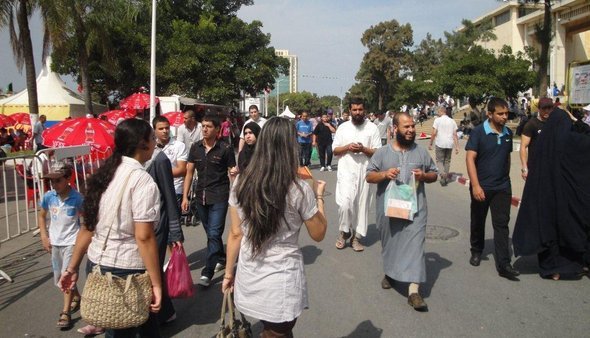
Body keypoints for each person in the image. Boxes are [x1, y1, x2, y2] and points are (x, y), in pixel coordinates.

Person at [222, 117, 327, 338]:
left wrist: (228, 273)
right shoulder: (299, 189)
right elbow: (319, 233)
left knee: (273, 330)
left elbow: (235, 234)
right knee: (277, 332)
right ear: (290, 146)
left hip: (250, 275)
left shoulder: (241, 183)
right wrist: (319, 196)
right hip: (281, 282)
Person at [58, 119, 163, 337]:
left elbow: (88, 227)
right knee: (125, 329)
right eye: (153, 138)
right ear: (142, 144)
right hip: (127, 269)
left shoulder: (106, 173)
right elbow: (143, 237)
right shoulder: (142, 181)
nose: (156, 143)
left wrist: (72, 267)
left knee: (125, 327)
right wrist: (157, 284)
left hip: (98, 261)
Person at [366, 112, 437, 311]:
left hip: (416, 210)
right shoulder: (382, 153)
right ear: (395, 129)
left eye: (412, 126)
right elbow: (369, 176)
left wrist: (424, 176)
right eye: (406, 127)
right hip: (389, 209)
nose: (411, 130)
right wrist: (384, 174)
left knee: (415, 245)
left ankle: (413, 292)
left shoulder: (421, 152)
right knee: (391, 245)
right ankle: (391, 273)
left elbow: (435, 174)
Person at [513, 108, 590, 280]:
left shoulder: (542, 145)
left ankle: (551, 270)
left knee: (548, 231)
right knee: (567, 229)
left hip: (546, 198)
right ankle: (573, 264)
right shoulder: (572, 143)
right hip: (567, 200)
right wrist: (576, 122)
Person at [465, 97, 520, 280]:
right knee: (478, 220)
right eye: (500, 114)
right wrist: (475, 185)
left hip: (502, 187)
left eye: (506, 113)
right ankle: (477, 249)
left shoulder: (508, 134)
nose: (505, 117)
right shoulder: (479, 133)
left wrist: (506, 179)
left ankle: (504, 264)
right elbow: (470, 159)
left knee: (502, 224)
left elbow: (507, 158)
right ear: (490, 114)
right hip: (482, 186)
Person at [181, 114, 236, 287]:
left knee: (213, 233)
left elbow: (231, 172)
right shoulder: (195, 148)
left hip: (219, 195)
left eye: (208, 126)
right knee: (211, 233)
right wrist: (185, 197)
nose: (204, 129)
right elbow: (189, 173)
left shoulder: (225, 148)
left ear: (217, 130)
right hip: (200, 197)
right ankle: (220, 256)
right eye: (203, 126)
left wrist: (237, 194)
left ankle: (208, 271)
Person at [145, 119, 185, 324]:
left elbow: (169, 196)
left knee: (153, 267)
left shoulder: (159, 160)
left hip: (157, 226)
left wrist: (175, 231)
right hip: (138, 227)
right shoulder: (125, 164)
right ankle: (162, 310)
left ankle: (160, 311)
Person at [38, 162, 83, 329]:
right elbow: (42, 215)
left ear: (68, 179)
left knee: (67, 275)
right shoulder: (49, 197)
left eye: (58, 180)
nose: (54, 184)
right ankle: (77, 297)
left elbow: (87, 219)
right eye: (52, 181)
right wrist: (44, 235)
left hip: (71, 243)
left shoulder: (77, 198)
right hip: (55, 243)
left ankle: (65, 312)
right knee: (60, 278)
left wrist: (84, 242)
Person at [332, 98, 381, 252]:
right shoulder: (343, 128)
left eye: (360, 109)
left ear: (364, 110)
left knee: (362, 204)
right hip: (346, 170)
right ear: (350, 110)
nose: (358, 112)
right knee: (345, 203)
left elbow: (378, 152)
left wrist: (363, 149)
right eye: (355, 110)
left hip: (366, 171)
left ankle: (356, 237)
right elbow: (335, 150)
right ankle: (344, 231)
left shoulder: (372, 128)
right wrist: (348, 147)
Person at [152, 115, 188, 205]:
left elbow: (182, 170)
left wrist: (156, 174)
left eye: (167, 128)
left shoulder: (179, 145)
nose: (165, 131)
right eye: (161, 129)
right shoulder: (150, 147)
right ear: (154, 130)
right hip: (154, 190)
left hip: (174, 190)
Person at [519, 97, 553, 180]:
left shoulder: (554, 123)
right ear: (539, 109)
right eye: (544, 108)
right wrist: (524, 168)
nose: (547, 111)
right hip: (535, 167)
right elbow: (523, 146)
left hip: (551, 167)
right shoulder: (532, 124)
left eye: (549, 108)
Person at [429, 106, 459, 186]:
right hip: (449, 143)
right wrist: (457, 147)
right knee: (447, 161)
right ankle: (444, 179)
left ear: (441, 111)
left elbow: (434, 133)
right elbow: (455, 135)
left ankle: (442, 174)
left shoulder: (437, 120)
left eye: (438, 112)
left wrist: (431, 143)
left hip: (440, 143)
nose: (438, 113)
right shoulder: (452, 121)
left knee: (439, 160)